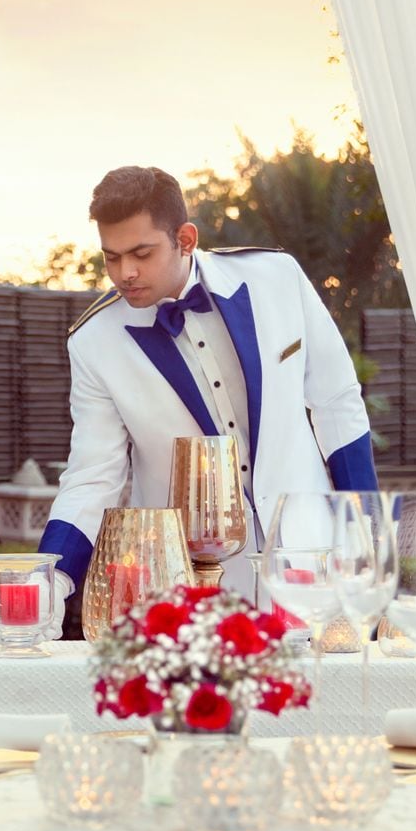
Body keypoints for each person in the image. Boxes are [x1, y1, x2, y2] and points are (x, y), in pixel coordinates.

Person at [39, 165, 378, 598]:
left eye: (141, 254)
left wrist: (367, 525)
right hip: (186, 587)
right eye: (112, 256)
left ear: (185, 239)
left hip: (315, 559)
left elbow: (337, 403)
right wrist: (50, 580)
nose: (124, 272)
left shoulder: (278, 277)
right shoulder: (94, 343)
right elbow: (93, 475)